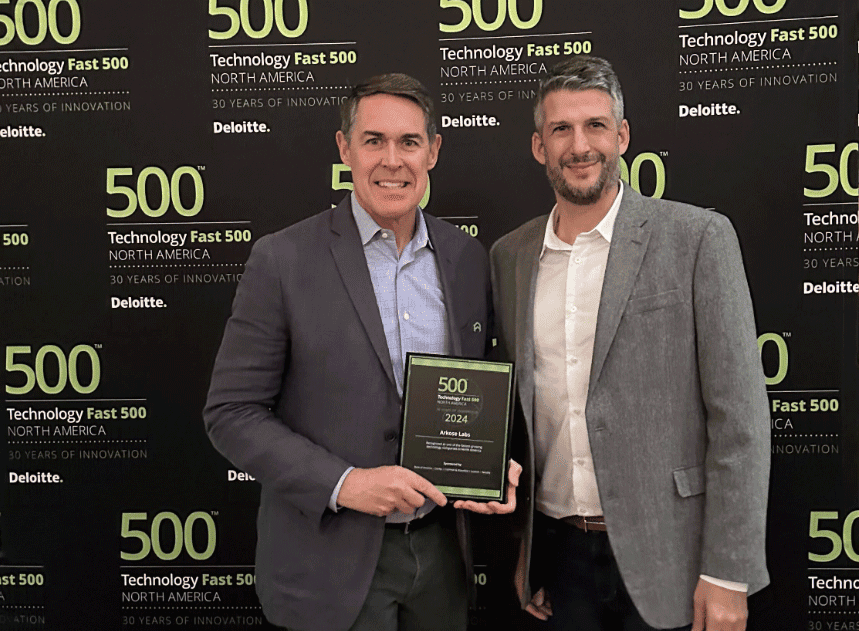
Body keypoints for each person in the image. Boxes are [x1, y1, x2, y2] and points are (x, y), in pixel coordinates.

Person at [204, 73, 519, 631]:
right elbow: (231, 413)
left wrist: (493, 464)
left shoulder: (468, 258)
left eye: (409, 142)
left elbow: (475, 392)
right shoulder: (282, 261)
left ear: (433, 151)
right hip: (328, 563)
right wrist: (345, 483)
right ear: (345, 148)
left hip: (443, 559)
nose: (392, 161)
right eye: (374, 140)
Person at [490, 55, 770, 631]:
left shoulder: (697, 238)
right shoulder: (509, 256)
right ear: (539, 146)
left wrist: (728, 572)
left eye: (595, 125)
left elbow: (740, 419)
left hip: (675, 557)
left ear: (621, 136)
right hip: (560, 559)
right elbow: (517, 417)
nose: (579, 146)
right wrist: (525, 551)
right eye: (561, 129)